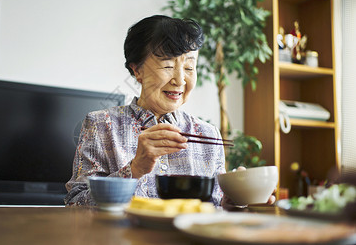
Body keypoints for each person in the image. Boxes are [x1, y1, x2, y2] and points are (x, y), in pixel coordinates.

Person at [65, 15, 274, 207]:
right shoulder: (101, 125)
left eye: (189, 67)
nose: (180, 80)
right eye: (167, 65)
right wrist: (134, 169)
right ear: (137, 70)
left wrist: (233, 202)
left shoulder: (208, 134)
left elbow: (215, 208)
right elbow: (75, 205)